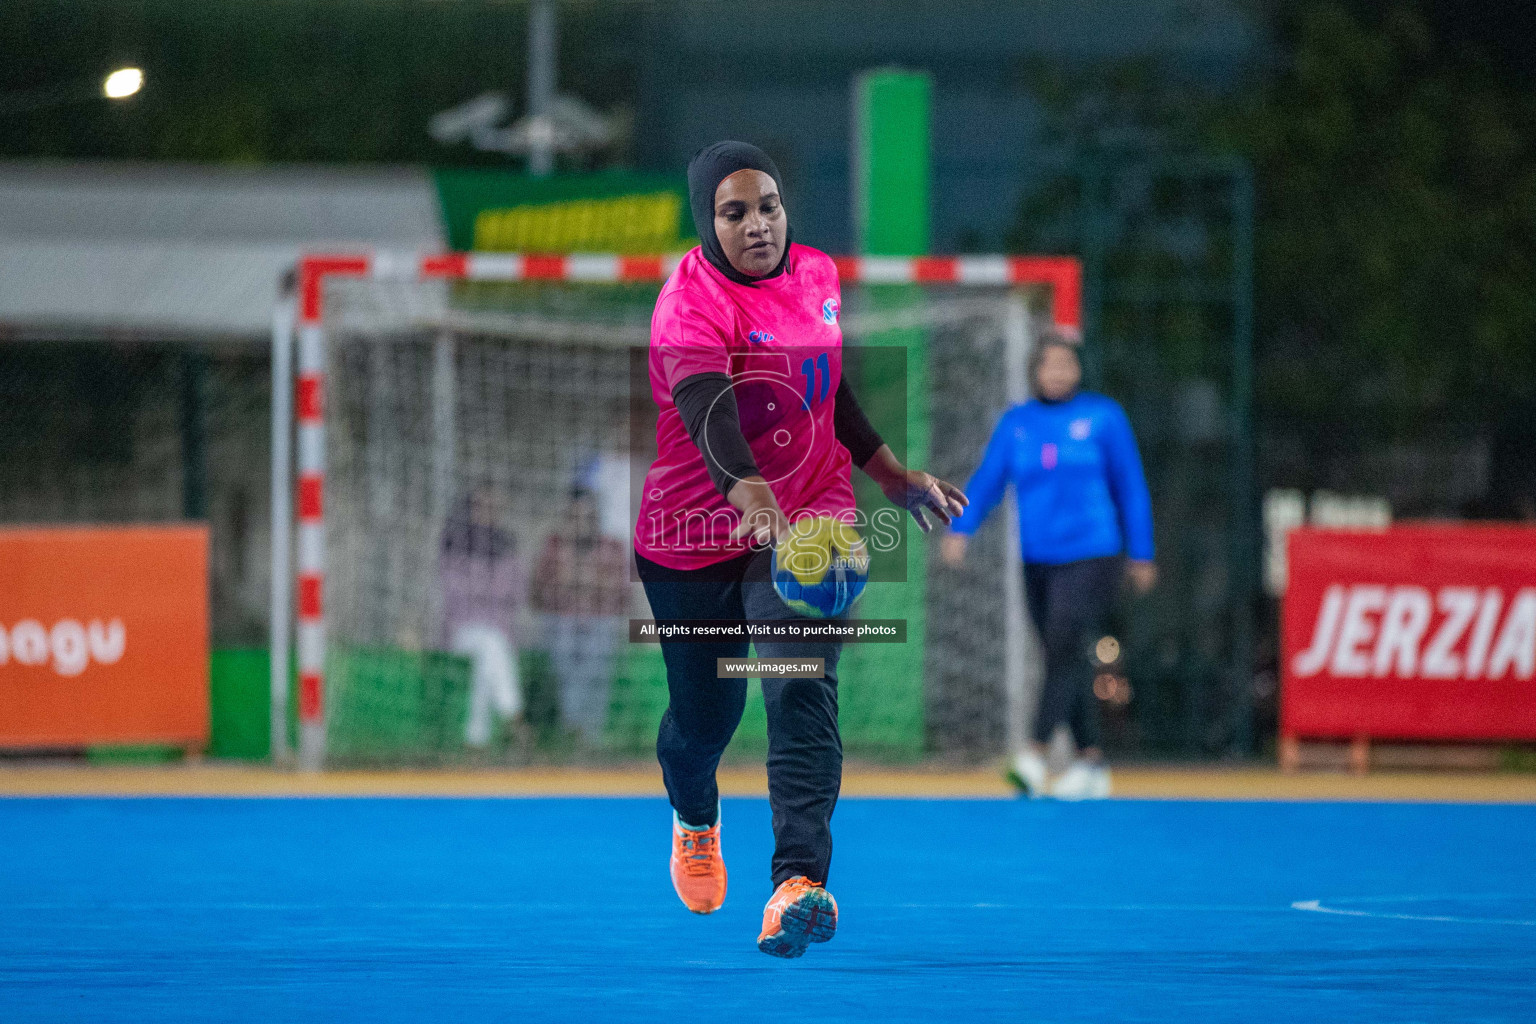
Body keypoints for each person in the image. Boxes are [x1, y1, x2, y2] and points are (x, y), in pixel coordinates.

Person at [633, 141, 967, 958]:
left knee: (799, 684)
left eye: (769, 205)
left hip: (810, 517)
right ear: (707, 223)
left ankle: (797, 884)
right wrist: (746, 489)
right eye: (734, 211)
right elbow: (709, 407)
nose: (758, 225)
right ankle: (695, 818)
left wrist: (887, 470)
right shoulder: (688, 303)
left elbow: (830, 386)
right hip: (694, 529)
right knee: (706, 718)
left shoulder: (817, 274)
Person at [941, 334, 1155, 799]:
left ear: (1079, 370)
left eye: (1067, 364)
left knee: (1061, 643)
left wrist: (1142, 552)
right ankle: (1092, 763)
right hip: (1037, 559)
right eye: (1049, 364)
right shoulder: (1017, 423)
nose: (1058, 372)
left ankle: (1034, 756)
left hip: (1093, 553)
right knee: (1062, 656)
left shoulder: (1104, 417)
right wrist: (961, 529)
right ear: (1034, 370)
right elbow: (988, 480)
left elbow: (1131, 487)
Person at [531, 486, 630, 745]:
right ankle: (574, 730)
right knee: (567, 660)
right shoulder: (554, 546)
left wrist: (588, 584)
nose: (582, 523)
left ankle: (588, 734)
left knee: (596, 662)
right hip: (561, 621)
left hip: (600, 621)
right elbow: (539, 593)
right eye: (575, 517)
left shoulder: (613, 547)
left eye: (587, 516)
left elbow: (621, 594)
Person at [439, 487, 527, 748]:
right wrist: (488, 592)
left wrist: (482, 591)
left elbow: (516, 591)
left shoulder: (506, 545)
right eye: (480, 507)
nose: (487, 513)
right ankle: (513, 715)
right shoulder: (454, 544)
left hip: (498, 631)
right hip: (461, 629)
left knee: (488, 657)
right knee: (491, 645)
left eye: (492, 507)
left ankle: (476, 741)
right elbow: (454, 594)